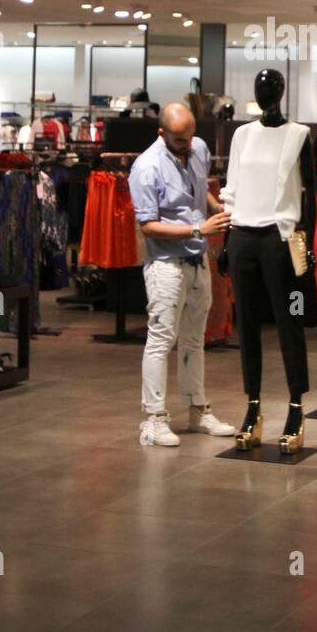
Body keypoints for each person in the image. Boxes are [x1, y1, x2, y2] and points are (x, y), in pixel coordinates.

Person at [128, 102, 235, 448]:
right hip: (165, 265)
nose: (187, 143)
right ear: (162, 134)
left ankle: (197, 408)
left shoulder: (198, 148)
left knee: (194, 339)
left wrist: (217, 207)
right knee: (161, 338)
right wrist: (197, 229)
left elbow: (198, 184)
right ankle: (154, 419)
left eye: (190, 135)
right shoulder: (146, 168)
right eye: (179, 139)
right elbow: (147, 226)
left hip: (197, 260)